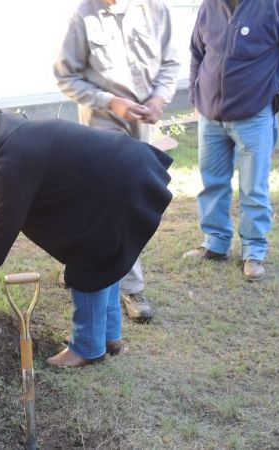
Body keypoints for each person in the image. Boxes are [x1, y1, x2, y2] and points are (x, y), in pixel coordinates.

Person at [0, 114, 173, 368]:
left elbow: (1, 228)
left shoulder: (11, 161)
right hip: (124, 173)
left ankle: (86, 347)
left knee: (91, 256)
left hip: (117, 185)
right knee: (104, 257)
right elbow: (3, 215)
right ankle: (108, 337)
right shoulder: (14, 139)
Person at [54, 0, 180, 323]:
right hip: (102, 125)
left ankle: (112, 276)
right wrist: (110, 102)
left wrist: (159, 97)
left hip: (144, 124)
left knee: (134, 200)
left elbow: (170, 63)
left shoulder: (156, 9)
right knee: (108, 204)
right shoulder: (82, 14)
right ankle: (127, 284)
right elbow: (66, 76)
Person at [183, 0, 279, 281]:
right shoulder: (209, 5)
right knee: (212, 183)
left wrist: (276, 81)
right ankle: (215, 243)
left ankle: (253, 252)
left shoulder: (276, 5)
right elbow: (197, 52)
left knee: (253, 187)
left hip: (254, 116)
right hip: (210, 116)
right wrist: (195, 94)